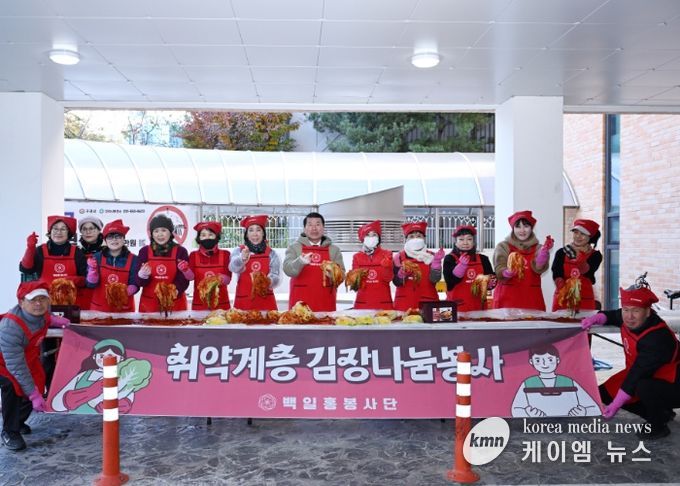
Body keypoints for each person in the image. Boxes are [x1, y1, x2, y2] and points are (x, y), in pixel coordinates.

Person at [581, 283, 680, 440]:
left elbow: (636, 375)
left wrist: (617, 404)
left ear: (648, 312)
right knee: (604, 395)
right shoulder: (628, 317)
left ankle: (658, 426)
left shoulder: (657, 338)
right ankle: (661, 412)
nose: (629, 316)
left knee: (641, 388)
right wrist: (596, 318)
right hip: (647, 374)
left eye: (636, 311)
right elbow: (613, 315)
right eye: (626, 310)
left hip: (672, 381)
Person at [0, 281, 69, 451]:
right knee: (13, 387)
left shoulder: (41, 314)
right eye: (32, 300)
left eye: (42, 299)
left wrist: (54, 320)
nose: (38, 303)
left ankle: (18, 421)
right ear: (21, 302)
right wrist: (33, 394)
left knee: (38, 382)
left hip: (27, 358)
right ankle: (9, 431)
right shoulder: (11, 327)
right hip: (5, 363)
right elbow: (16, 366)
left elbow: (45, 317)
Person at [511, 344, 600, 417]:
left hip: (568, 426)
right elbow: (516, 409)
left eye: (550, 359)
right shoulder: (528, 383)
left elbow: (594, 408)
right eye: (538, 360)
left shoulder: (568, 382)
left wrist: (583, 412)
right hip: (535, 427)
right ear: (531, 362)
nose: (544, 364)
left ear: (557, 360)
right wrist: (528, 413)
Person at [283, 212, 345, 312]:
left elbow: (342, 275)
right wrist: (300, 261)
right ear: (304, 228)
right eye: (310, 224)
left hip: (325, 304)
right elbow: (287, 269)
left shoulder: (334, 250)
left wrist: (333, 275)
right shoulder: (294, 247)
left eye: (318, 224)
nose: (314, 228)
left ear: (323, 228)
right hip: (300, 305)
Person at [493, 210, 553, 311]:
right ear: (513, 228)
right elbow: (499, 268)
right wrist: (506, 272)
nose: (522, 230)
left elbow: (538, 269)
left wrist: (542, 257)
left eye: (526, 226)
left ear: (531, 228)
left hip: (531, 300)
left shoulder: (539, 248)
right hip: (507, 301)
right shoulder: (503, 246)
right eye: (518, 226)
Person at [136, 214, 193, 313]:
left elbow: (183, 278)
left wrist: (176, 290)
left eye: (163, 230)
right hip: (150, 304)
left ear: (170, 232)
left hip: (174, 302)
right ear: (152, 234)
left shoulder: (180, 251)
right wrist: (142, 276)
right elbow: (140, 282)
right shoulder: (144, 251)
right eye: (156, 231)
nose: (160, 234)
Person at [19, 214, 87, 293]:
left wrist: (74, 280)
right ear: (50, 231)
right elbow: (26, 269)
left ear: (69, 233)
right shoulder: (40, 250)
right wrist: (30, 248)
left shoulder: (77, 253)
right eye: (55, 228)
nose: (58, 232)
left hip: (71, 299)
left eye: (63, 229)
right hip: (45, 298)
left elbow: (86, 280)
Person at [86, 219, 139, 313]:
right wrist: (92, 272)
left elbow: (135, 284)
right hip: (99, 309)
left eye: (118, 236)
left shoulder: (134, 259)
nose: (114, 240)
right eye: (110, 237)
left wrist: (125, 292)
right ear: (105, 240)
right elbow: (90, 285)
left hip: (124, 309)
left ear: (123, 239)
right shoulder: (97, 257)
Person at [230, 215, 281, 311]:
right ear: (246, 234)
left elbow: (276, 277)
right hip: (244, 303)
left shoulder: (272, 253)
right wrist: (242, 259)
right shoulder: (239, 251)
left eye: (258, 230)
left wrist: (266, 281)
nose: (255, 234)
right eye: (251, 230)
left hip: (266, 303)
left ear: (263, 233)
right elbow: (232, 267)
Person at [551, 219, 603, 312]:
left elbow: (587, 271)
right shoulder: (561, 252)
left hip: (584, 298)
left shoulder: (596, 255)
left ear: (590, 237)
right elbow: (556, 272)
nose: (578, 236)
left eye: (583, 234)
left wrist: (580, 256)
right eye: (576, 232)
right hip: (563, 298)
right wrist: (562, 288)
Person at [392, 221, 444, 311]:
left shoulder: (432, 256)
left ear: (424, 238)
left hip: (428, 303)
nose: (415, 239)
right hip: (404, 305)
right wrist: (402, 274)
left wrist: (436, 263)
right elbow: (396, 282)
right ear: (406, 239)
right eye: (411, 236)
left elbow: (435, 280)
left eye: (419, 236)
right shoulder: (399, 257)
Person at [443, 225, 496, 312]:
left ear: (474, 242)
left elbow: (490, 280)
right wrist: (461, 267)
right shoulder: (450, 259)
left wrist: (491, 282)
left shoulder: (483, 259)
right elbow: (450, 281)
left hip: (480, 309)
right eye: (461, 239)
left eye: (469, 239)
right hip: (457, 309)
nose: (465, 243)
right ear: (455, 242)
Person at [348, 220, 393, 309]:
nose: (371, 237)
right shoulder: (357, 257)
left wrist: (387, 267)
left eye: (374, 235)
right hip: (362, 304)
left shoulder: (387, 254)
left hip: (384, 304)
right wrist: (353, 278)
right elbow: (355, 285)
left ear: (379, 238)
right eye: (368, 235)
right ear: (363, 239)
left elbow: (388, 278)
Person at [189, 221, 232, 311]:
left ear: (217, 237)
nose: (207, 238)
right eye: (203, 235)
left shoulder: (225, 254)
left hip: (221, 305)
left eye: (211, 235)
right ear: (199, 238)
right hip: (199, 305)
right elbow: (190, 277)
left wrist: (217, 279)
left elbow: (228, 280)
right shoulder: (193, 255)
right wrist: (185, 270)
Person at [75, 216, 105, 310]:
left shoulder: (109, 250)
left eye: (91, 228)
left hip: (102, 297)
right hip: (80, 297)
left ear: (99, 230)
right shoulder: (76, 251)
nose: (88, 232)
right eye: (84, 229)